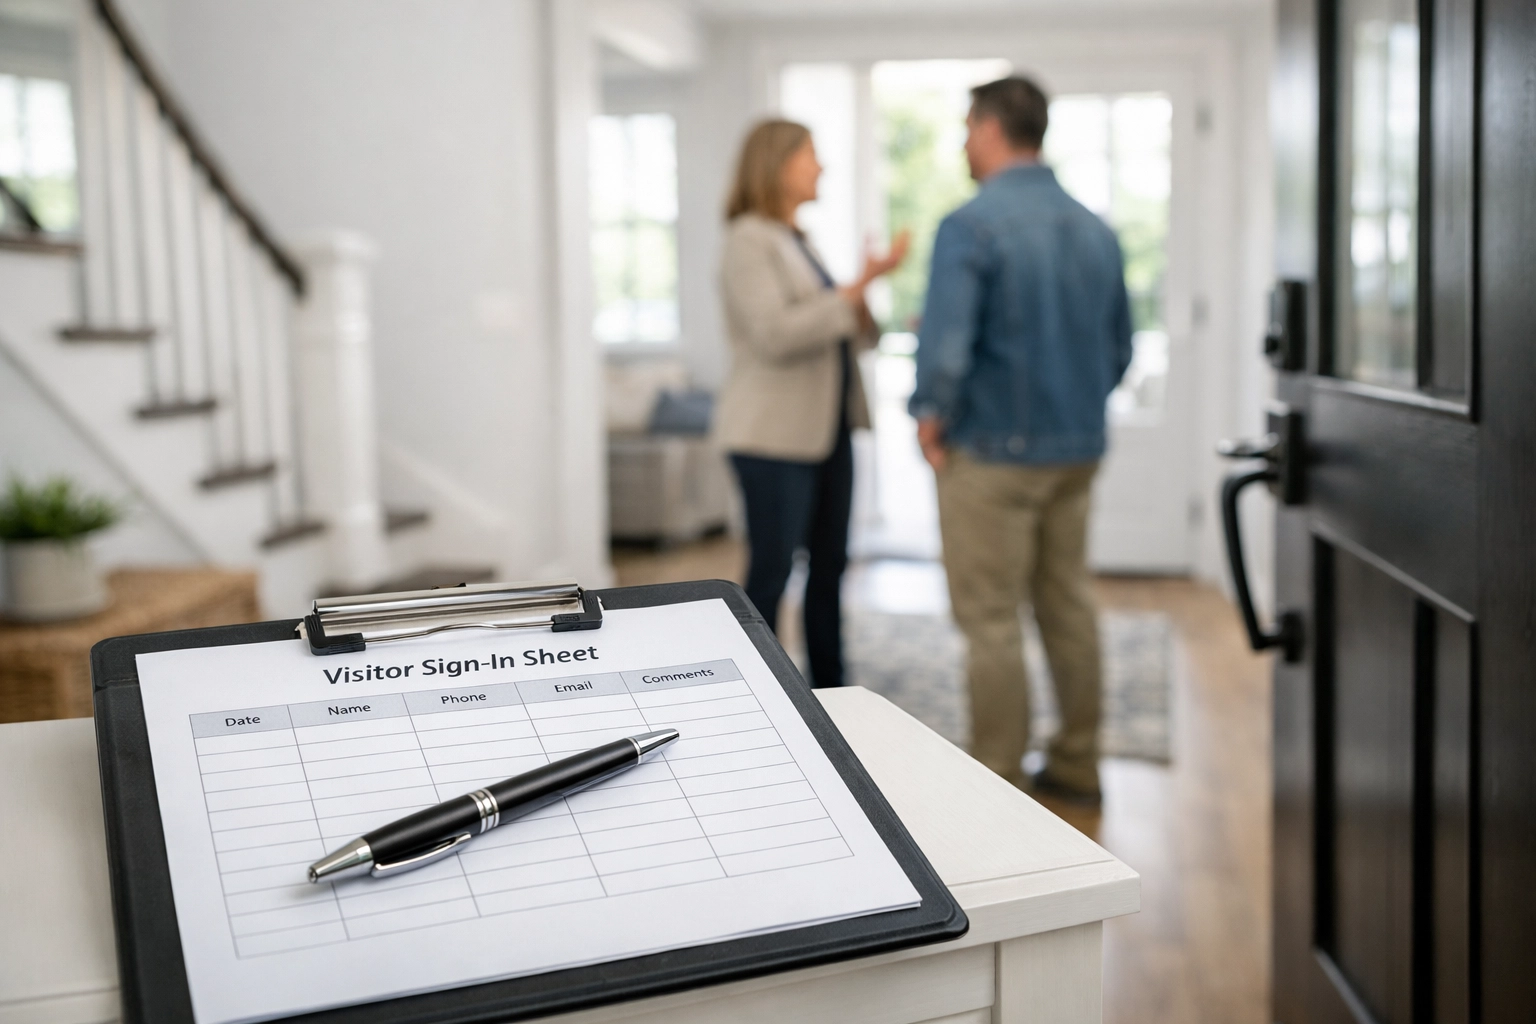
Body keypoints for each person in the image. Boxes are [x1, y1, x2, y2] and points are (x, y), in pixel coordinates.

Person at [910, 77, 1133, 802]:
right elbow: (1119, 350)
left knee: (992, 619)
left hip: (993, 455)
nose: (963, 143)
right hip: (1076, 449)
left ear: (990, 127)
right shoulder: (1096, 230)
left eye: (967, 127)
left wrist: (929, 416)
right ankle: (1076, 764)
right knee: (1067, 602)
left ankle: (998, 780)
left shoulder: (971, 225)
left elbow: (945, 348)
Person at [715, 119, 909, 688]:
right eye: (810, 156)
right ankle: (758, 692)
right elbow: (775, 334)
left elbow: (848, 331)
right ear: (775, 164)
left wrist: (861, 294)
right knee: (772, 576)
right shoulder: (747, 239)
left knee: (829, 572)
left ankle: (831, 692)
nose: (820, 167)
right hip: (771, 437)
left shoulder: (798, 240)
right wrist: (856, 287)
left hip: (826, 433)